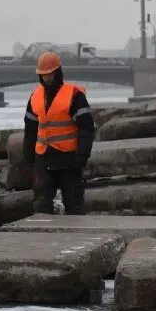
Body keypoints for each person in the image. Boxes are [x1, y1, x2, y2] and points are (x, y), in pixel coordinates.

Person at [23, 51, 94, 214]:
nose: (47, 78)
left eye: (50, 74)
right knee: (41, 204)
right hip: (43, 157)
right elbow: (30, 128)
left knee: (74, 204)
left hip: (69, 159)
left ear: (58, 72)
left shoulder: (75, 95)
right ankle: (42, 237)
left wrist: (82, 156)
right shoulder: (35, 97)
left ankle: (76, 237)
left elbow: (86, 128)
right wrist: (28, 156)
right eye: (43, 75)